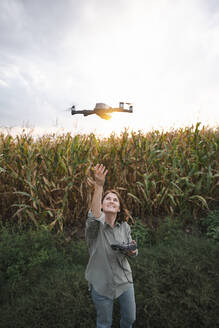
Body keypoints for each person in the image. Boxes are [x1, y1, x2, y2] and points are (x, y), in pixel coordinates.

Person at [85, 163, 138, 328]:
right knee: (104, 324)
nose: (111, 201)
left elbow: (133, 251)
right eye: (107, 199)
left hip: (124, 281)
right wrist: (99, 186)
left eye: (115, 200)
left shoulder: (125, 227)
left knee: (129, 319)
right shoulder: (95, 228)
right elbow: (94, 216)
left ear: (119, 208)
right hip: (101, 284)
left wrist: (131, 250)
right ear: (101, 205)